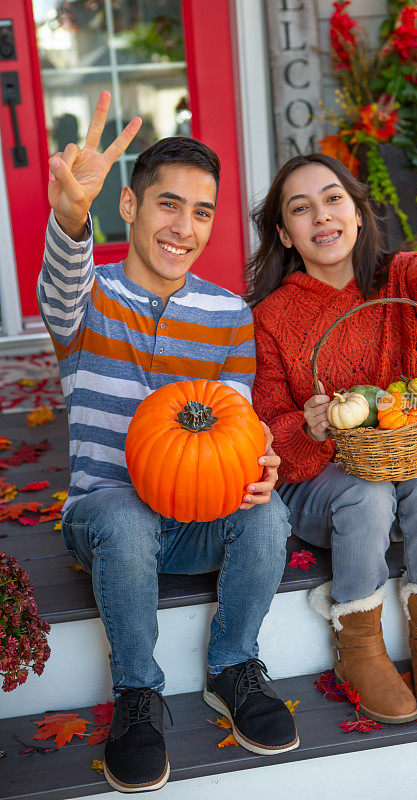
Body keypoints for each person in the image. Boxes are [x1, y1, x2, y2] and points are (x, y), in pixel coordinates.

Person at [38, 90, 298, 794]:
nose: (184, 226)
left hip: (196, 518)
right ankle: (137, 695)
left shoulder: (226, 313)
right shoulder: (90, 298)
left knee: (268, 514)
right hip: (106, 519)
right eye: (167, 204)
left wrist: (261, 464)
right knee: (122, 519)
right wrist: (70, 214)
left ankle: (233, 666)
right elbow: (61, 280)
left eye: (202, 211)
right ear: (129, 207)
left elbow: (237, 425)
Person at [248, 141, 417, 725]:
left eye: (333, 199)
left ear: (359, 214)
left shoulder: (401, 278)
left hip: (405, 470)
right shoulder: (271, 317)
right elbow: (268, 432)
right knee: (365, 493)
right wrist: (305, 425)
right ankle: (358, 648)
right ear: (285, 234)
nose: (322, 216)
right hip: (323, 487)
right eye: (301, 208)